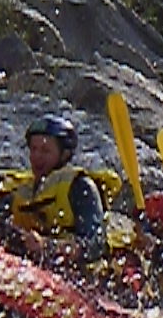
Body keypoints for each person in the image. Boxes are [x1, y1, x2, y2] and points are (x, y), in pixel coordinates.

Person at [7, 112, 110, 272]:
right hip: (36, 268)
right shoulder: (24, 188)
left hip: (78, 276)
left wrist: (48, 246)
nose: (36, 157)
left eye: (45, 151)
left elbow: (95, 243)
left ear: (64, 154)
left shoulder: (80, 186)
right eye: (33, 149)